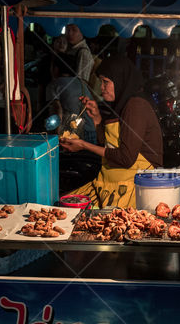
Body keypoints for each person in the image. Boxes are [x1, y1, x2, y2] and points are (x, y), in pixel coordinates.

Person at [58, 56, 162, 208]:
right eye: (101, 82)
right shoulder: (122, 105)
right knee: (64, 205)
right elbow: (109, 145)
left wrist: (84, 145)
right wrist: (97, 118)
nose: (101, 87)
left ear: (120, 79)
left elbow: (125, 158)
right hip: (107, 182)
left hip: (130, 188)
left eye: (106, 82)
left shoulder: (136, 106)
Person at [45, 51, 97, 144]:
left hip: (73, 135)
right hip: (92, 132)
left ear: (55, 69)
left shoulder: (54, 85)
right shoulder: (81, 83)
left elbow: (57, 110)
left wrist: (56, 137)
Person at [65, 24, 96, 96]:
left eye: (74, 30)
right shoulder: (71, 49)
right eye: (67, 30)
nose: (70, 33)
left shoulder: (83, 52)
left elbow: (81, 83)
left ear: (82, 32)